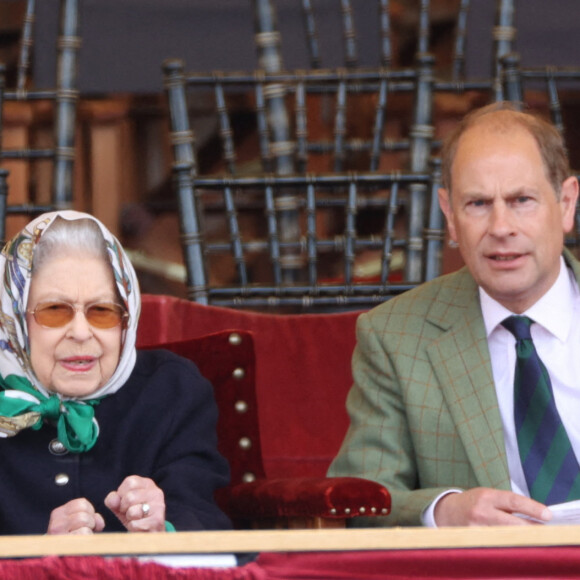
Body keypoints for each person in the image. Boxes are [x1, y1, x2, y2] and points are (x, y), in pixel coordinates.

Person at [328, 101, 580, 527]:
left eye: (522, 200)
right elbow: (360, 495)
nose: (501, 226)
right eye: (478, 204)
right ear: (449, 215)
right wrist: (442, 511)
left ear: (567, 203)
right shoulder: (395, 336)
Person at [0, 210, 231, 535]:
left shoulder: (171, 392)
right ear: (11, 319)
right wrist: (36, 558)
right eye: (54, 310)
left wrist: (162, 531)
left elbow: (204, 517)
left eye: (103, 311)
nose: (81, 332)